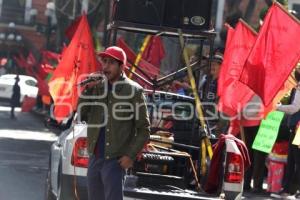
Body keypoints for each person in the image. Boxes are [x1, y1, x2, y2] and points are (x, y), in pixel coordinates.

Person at [78, 46, 150, 200]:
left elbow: (144, 130)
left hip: (115, 161)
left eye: (111, 63)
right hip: (95, 157)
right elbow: (81, 114)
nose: (105, 67)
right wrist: (87, 90)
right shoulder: (96, 88)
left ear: (121, 66)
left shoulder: (134, 91)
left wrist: (130, 156)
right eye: (104, 62)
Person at [276, 67, 300, 198]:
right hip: (295, 128)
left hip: (298, 129)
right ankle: (287, 189)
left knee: (296, 160)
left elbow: (295, 108)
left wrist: (278, 107)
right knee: (292, 160)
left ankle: (291, 190)